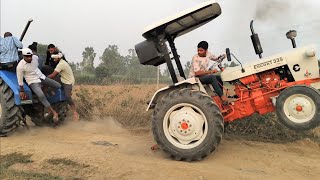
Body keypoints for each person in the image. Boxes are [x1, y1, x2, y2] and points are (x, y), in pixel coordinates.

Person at [17, 48, 61, 124]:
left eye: (30, 56)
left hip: (41, 77)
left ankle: (45, 92)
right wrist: (21, 90)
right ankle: (54, 113)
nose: (29, 58)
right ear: (23, 56)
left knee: (58, 85)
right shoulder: (20, 66)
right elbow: (20, 80)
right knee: (41, 96)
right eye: (27, 56)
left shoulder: (35, 58)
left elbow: (39, 59)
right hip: (33, 82)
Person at [47, 52, 79, 122]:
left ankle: (75, 112)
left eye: (55, 58)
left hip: (68, 81)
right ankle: (51, 94)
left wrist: (43, 78)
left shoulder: (61, 64)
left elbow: (52, 75)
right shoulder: (60, 62)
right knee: (50, 84)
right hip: (62, 79)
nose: (54, 59)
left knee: (67, 96)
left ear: (59, 58)